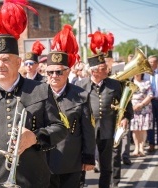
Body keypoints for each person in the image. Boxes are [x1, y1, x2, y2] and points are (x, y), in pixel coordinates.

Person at [0, 1, 67, 187]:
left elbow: (60, 128)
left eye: (6, 59)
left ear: (18, 62)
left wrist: (35, 137)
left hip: (33, 179)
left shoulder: (41, 90)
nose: (0, 65)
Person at [46, 25, 95, 188]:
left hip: (71, 160)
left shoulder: (81, 95)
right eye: (50, 72)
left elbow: (87, 128)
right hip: (43, 160)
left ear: (67, 72)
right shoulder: (38, 93)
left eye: (59, 72)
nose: (54, 76)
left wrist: (88, 157)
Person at [76, 53, 133, 188]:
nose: (107, 70)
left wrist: (125, 117)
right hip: (86, 132)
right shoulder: (80, 85)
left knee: (106, 166)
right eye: (103, 68)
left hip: (108, 130)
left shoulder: (115, 84)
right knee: (83, 164)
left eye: (106, 67)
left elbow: (126, 104)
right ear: (94, 72)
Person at [130, 74, 153, 156]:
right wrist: (131, 106)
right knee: (135, 129)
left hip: (144, 108)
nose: (137, 74)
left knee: (143, 129)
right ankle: (136, 148)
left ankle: (141, 148)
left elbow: (150, 95)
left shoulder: (146, 82)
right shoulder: (129, 83)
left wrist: (141, 104)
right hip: (132, 108)